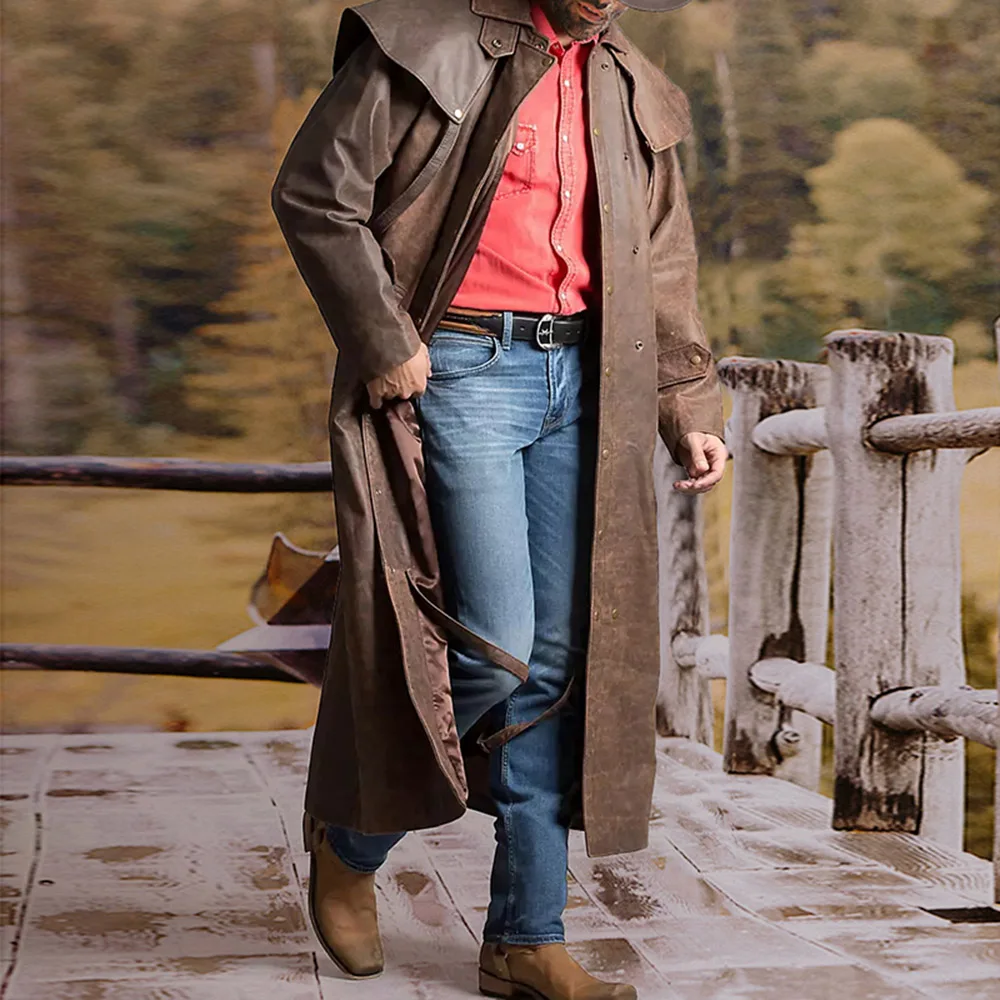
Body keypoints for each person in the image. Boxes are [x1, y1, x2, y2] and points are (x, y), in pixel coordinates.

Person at [271, 0, 727, 996]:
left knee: (556, 664)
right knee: (493, 642)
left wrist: (684, 400)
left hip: (589, 381)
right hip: (465, 369)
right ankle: (351, 837)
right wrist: (384, 337)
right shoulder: (422, 45)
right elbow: (315, 193)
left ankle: (526, 936)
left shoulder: (624, 80)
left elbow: (661, 255)